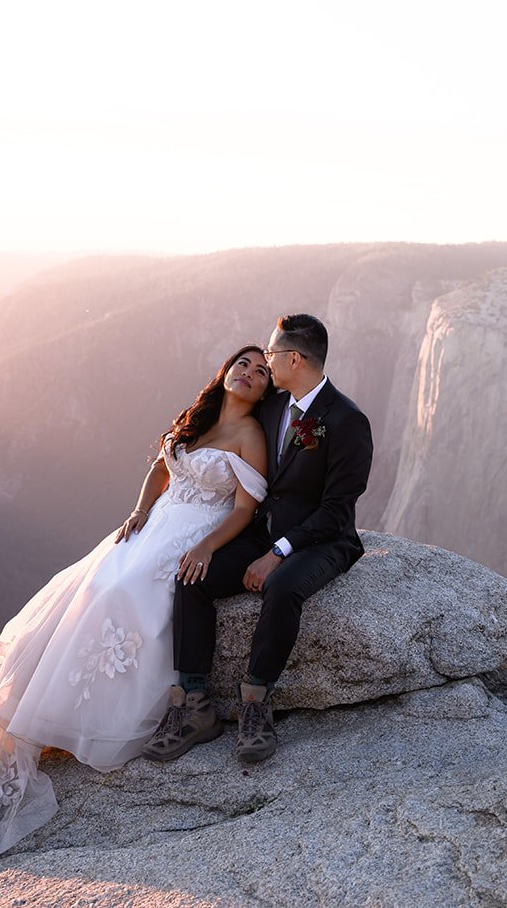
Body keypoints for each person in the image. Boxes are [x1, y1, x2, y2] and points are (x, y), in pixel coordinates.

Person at [0, 345, 273, 859]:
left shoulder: (251, 436)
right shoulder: (201, 416)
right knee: (89, 584)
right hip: (155, 524)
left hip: (191, 532)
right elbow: (161, 468)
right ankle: (31, 707)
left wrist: (207, 547)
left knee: (124, 592)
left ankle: (86, 719)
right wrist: (140, 510)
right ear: (226, 370)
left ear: (266, 388)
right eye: (243, 364)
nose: (250, 373)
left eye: (262, 371)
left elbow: (243, 509)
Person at [143, 313, 373, 765]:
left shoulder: (347, 421)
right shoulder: (271, 408)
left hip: (323, 542)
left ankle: (255, 701)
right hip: (263, 533)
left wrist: (278, 553)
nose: (265, 360)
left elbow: (337, 509)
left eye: (270, 353)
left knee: (282, 587)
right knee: (193, 575)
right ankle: (194, 703)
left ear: (293, 359)